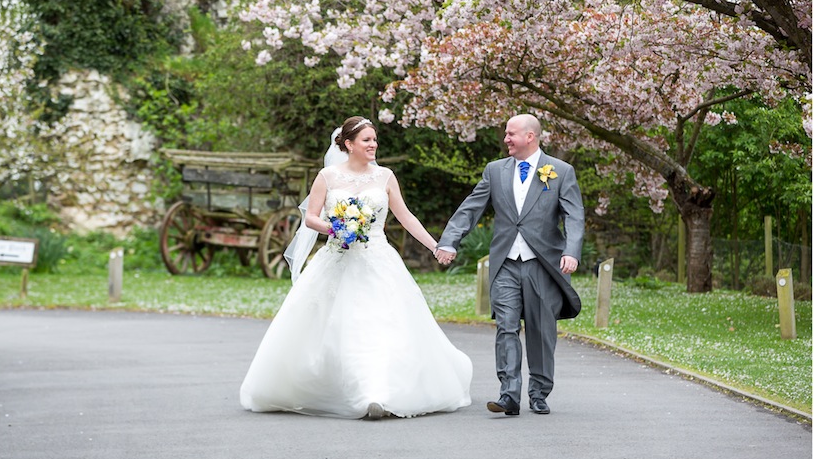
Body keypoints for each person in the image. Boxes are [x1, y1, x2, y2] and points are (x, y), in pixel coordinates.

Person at [239, 118, 472, 419]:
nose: (373, 145)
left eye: (375, 140)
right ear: (348, 144)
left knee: (378, 326)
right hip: (337, 258)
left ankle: (376, 394)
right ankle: (344, 390)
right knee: (339, 326)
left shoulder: (386, 176)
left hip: (377, 260)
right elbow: (310, 217)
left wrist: (434, 246)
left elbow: (406, 217)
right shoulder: (328, 176)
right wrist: (335, 228)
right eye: (366, 140)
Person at [435, 115, 584, 417]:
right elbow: (471, 207)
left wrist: (571, 251)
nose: (506, 139)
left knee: (542, 331)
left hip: (543, 264)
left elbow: (574, 216)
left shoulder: (560, 171)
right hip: (505, 263)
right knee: (506, 327)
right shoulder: (495, 171)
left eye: (511, 134)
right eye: (506, 134)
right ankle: (509, 394)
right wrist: (450, 240)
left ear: (530, 136)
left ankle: (539, 392)